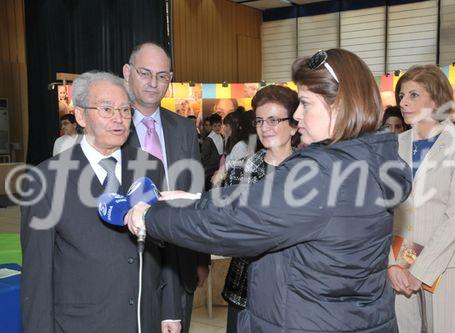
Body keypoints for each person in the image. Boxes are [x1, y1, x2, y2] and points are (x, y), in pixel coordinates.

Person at [125, 48, 412, 333]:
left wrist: (151, 217)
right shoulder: (366, 160)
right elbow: (258, 203)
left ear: (340, 106)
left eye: (306, 104)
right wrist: (197, 199)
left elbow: (237, 221)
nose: (297, 115)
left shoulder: (324, 173)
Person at [21, 71, 166, 332]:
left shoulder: (150, 167)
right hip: (81, 323)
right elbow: (37, 277)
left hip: (144, 320)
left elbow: (164, 249)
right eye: (107, 109)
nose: (119, 119)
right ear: (80, 115)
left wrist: (169, 312)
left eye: (125, 109)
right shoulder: (46, 179)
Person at [389, 65, 455, 333]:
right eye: (402, 95)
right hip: (399, 261)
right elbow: (386, 210)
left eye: (413, 95)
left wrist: (421, 270)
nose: (403, 102)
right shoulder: (393, 145)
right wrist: (392, 264)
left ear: (436, 99)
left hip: (443, 265)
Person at [122, 42, 209, 333]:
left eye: (162, 75)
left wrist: (201, 256)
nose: (153, 82)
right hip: (130, 257)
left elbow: (196, 191)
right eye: (145, 73)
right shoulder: (114, 129)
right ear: (127, 72)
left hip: (180, 258)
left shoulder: (183, 128)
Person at [221, 85, 299, 333]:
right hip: (245, 289)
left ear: (295, 124)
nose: (266, 128)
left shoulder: (311, 174)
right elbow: (226, 228)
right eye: (260, 121)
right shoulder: (239, 170)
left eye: (274, 120)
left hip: (295, 292)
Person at [200, 113, 223, 190]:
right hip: (210, 171)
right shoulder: (208, 139)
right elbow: (205, 158)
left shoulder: (221, 136)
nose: (217, 128)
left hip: (220, 169)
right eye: (215, 126)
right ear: (211, 126)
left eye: (219, 125)